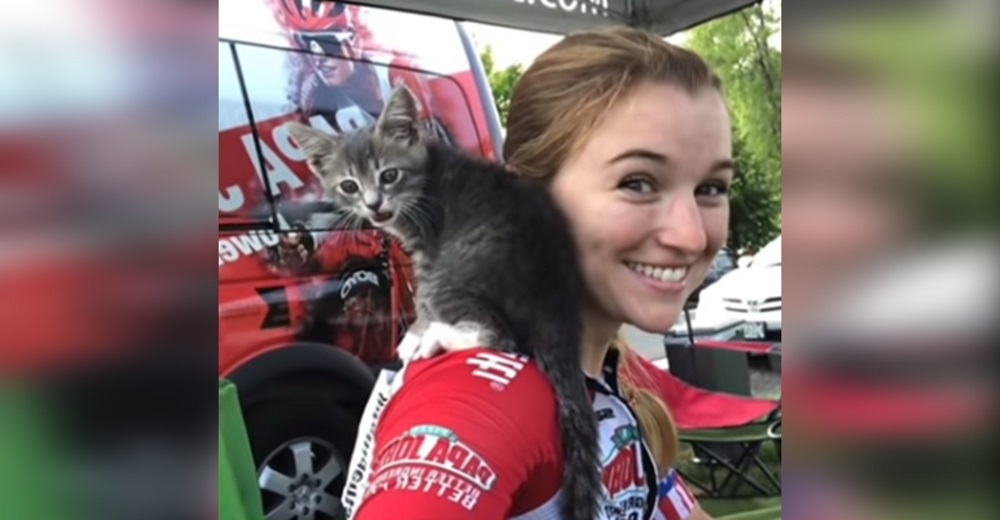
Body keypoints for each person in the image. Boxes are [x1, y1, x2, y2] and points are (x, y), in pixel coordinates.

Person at [347, 27, 731, 520]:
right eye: (637, 182)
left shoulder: (617, 378)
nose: (692, 236)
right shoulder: (485, 387)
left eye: (712, 187)